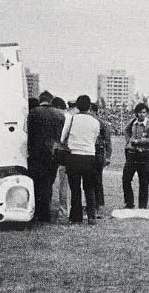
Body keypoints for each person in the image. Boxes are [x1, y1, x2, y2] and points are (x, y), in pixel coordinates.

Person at [61, 95, 100, 225]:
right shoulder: (95, 122)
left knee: (75, 189)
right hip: (89, 156)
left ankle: (76, 217)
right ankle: (91, 216)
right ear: (89, 106)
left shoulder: (71, 119)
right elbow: (94, 139)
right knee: (89, 188)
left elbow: (62, 138)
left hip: (73, 156)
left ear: (77, 106)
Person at [27, 90, 65, 222]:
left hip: (37, 153)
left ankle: (40, 212)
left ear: (40, 99)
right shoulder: (60, 114)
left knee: (38, 183)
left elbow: (29, 134)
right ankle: (46, 208)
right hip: (54, 153)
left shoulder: (33, 113)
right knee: (49, 182)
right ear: (50, 100)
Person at [122, 103, 149, 209]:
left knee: (144, 182)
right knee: (126, 179)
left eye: (144, 112)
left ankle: (142, 207)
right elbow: (126, 130)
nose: (142, 114)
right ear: (136, 113)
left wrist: (136, 141)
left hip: (144, 155)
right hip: (132, 155)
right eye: (140, 112)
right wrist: (128, 141)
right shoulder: (133, 122)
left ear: (146, 113)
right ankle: (129, 203)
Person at [90, 103, 112, 216]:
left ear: (93, 111)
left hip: (98, 152)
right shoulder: (88, 122)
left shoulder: (101, 123)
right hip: (89, 152)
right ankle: (92, 203)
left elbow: (108, 140)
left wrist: (108, 156)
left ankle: (98, 204)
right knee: (91, 179)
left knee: (97, 179)